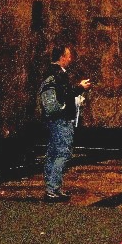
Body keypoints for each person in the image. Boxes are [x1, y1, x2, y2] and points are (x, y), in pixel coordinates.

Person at [39, 44, 91, 202]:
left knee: (53, 153)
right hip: (62, 119)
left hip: (52, 119)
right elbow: (67, 94)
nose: (70, 58)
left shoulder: (48, 72)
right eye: (68, 55)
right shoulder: (59, 74)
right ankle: (53, 189)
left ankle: (51, 186)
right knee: (63, 153)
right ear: (61, 57)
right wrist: (80, 88)